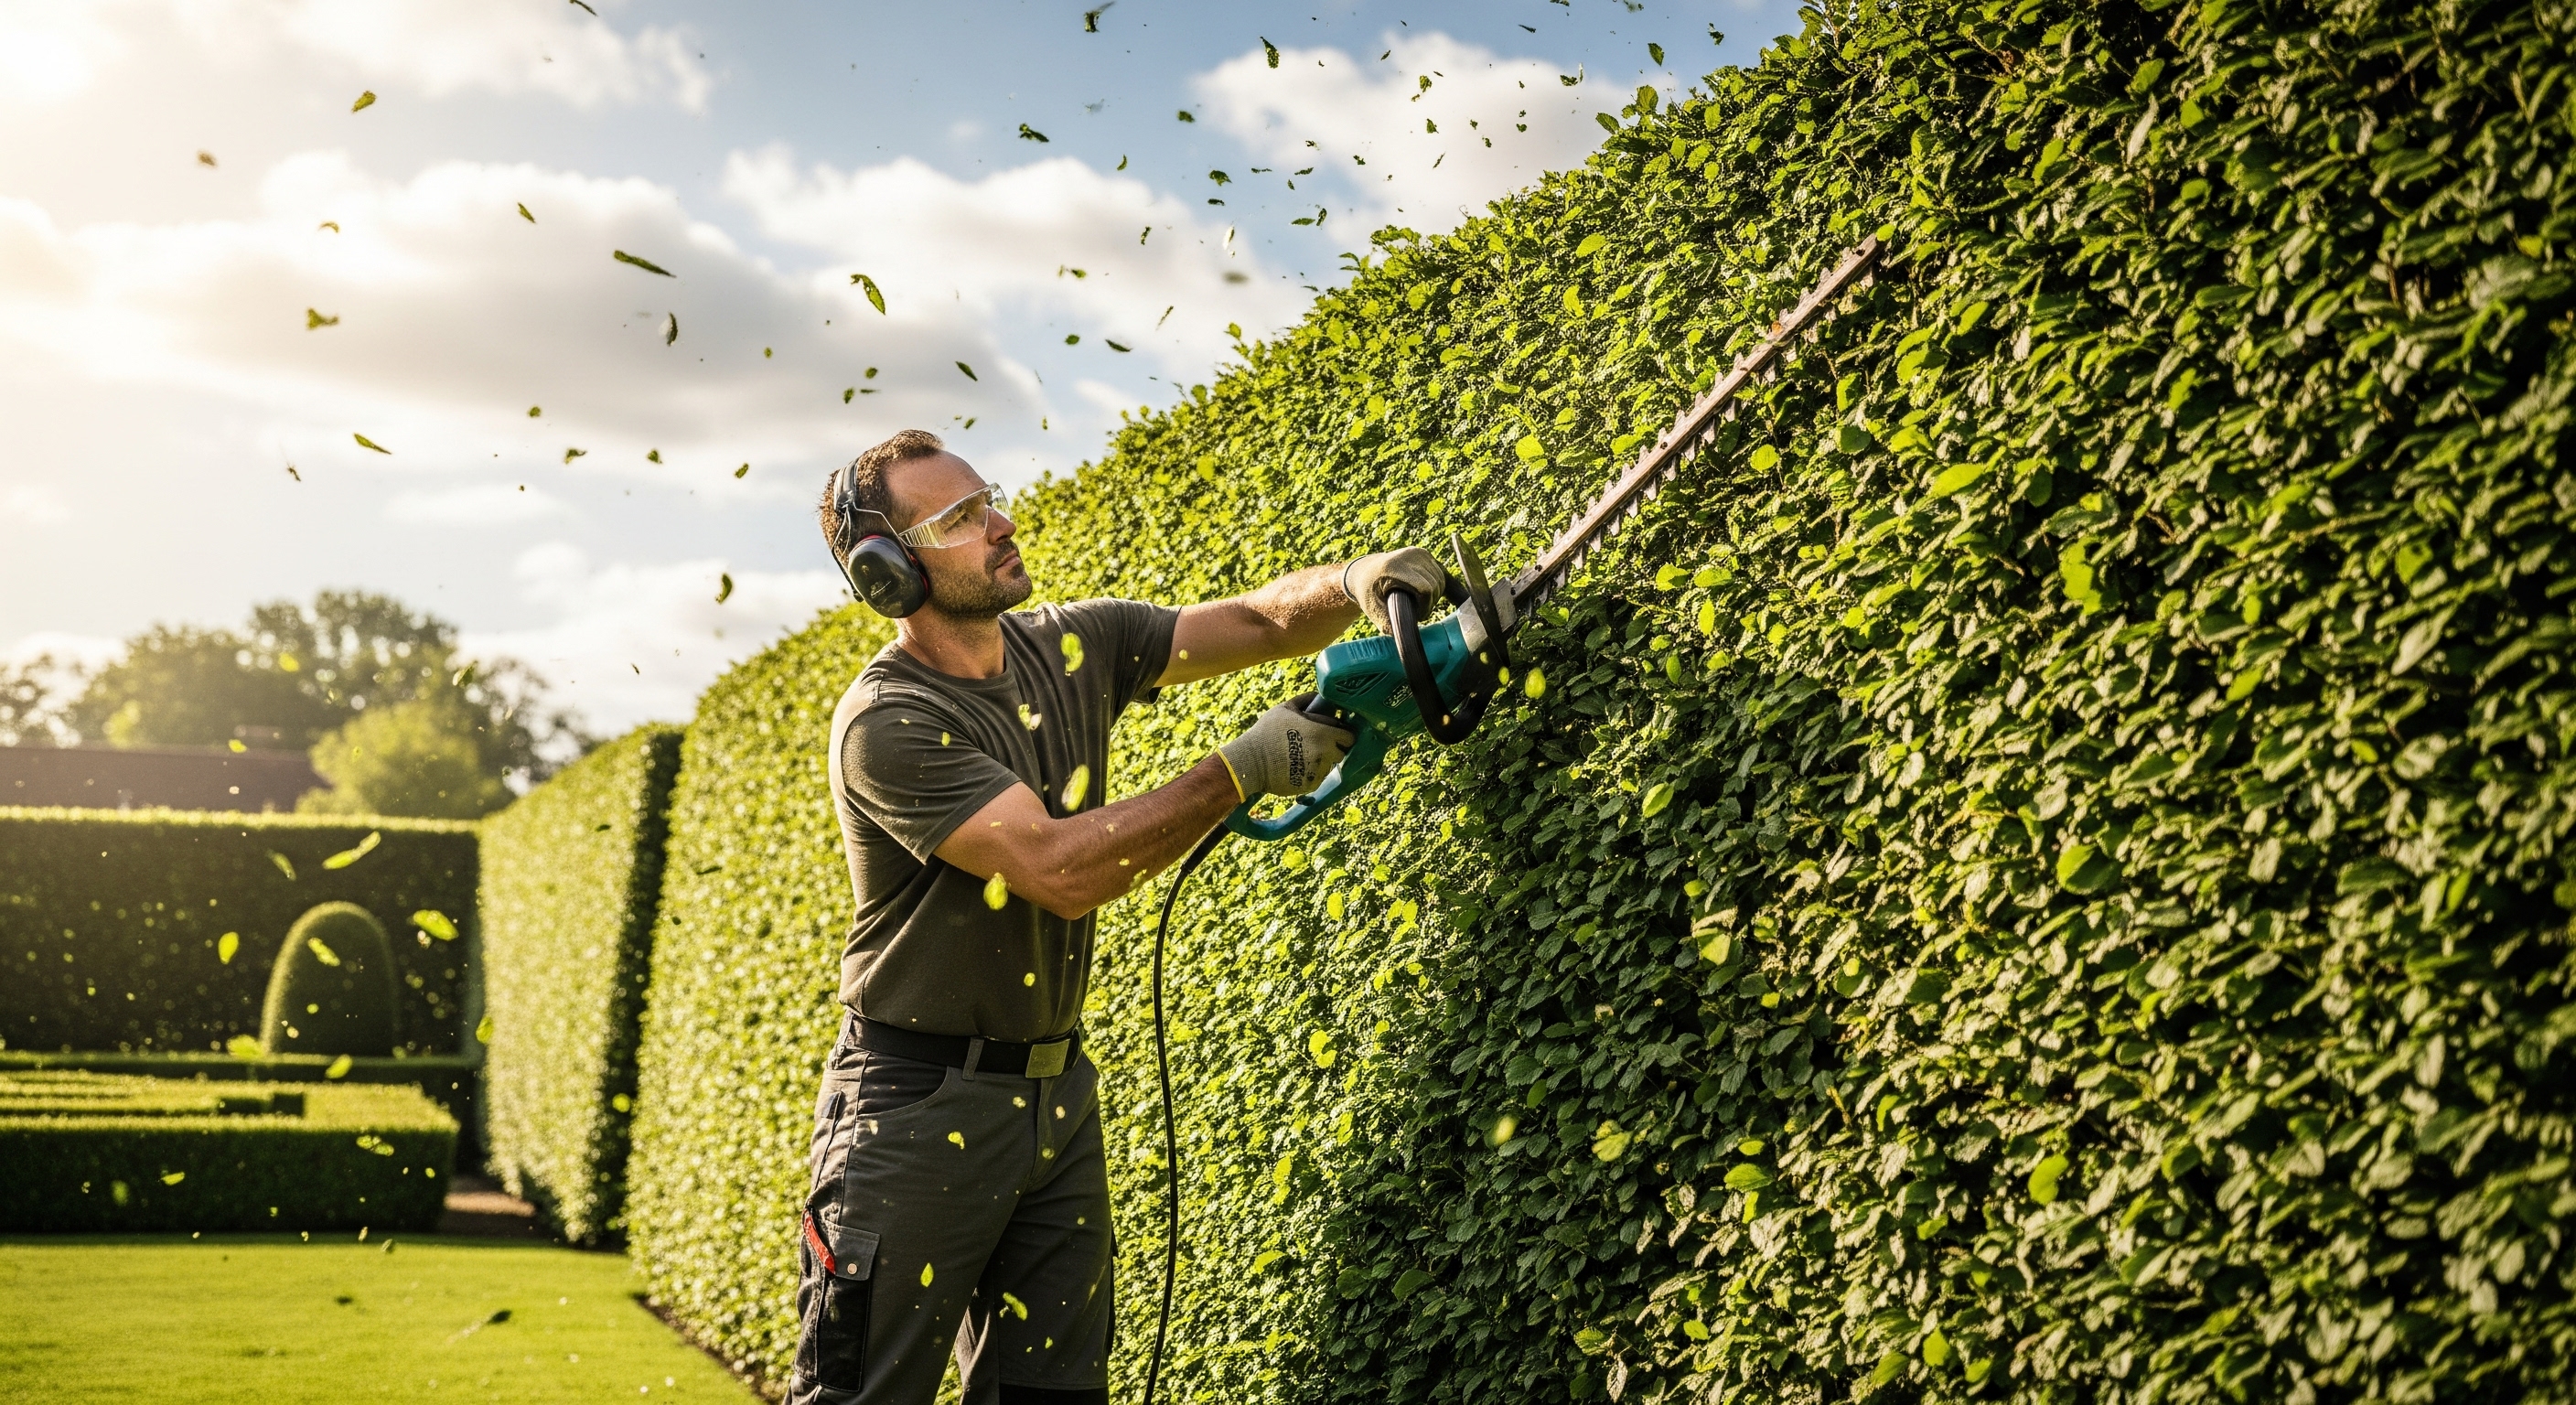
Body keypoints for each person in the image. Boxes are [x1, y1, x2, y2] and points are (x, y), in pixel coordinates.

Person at [792, 428, 1442, 1405]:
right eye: (961, 518)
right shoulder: (887, 723)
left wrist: (1355, 581)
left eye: (989, 497)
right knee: (865, 1394)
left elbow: (1259, 624)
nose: (1001, 523)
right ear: (888, 575)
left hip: (1054, 1092)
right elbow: (1055, 871)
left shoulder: (1071, 641)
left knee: (1054, 1395)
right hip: (914, 1107)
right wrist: (1243, 770)